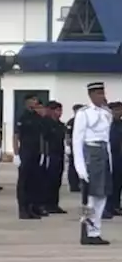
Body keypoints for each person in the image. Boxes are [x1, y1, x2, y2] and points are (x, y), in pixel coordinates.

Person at [72, 82, 112, 245]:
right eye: (98, 94)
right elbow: (77, 140)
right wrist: (80, 167)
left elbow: (107, 139)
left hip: (102, 153)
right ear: (91, 95)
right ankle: (87, 229)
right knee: (90, 198)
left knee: (102, 195)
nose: (101, 96)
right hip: (91, 153)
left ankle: (95, 230)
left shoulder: (106, 113)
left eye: (102, 93)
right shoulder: (84, 113)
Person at [15, 96, 46, 219]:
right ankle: (23, 209)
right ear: (27, 102)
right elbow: (16, 135)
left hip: (36, 151)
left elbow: (42, 135)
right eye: (33, 100)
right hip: (26, 151)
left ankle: (31, 208)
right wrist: (16, 154)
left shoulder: (37, 117)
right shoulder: (22, 117)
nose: (35, 103)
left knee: (34, 182)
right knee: (24, 182)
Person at [42, 101, 69, 215]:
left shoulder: (61, 125)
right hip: (49, 154)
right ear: (50, 110)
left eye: (60, 110)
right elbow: (43, 140)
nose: (59, 113)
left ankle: (54, 204)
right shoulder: (45, 124)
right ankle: (45, 204)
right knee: (48, 181)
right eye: (57, 110)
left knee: (57, 181)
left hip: (59, 154)